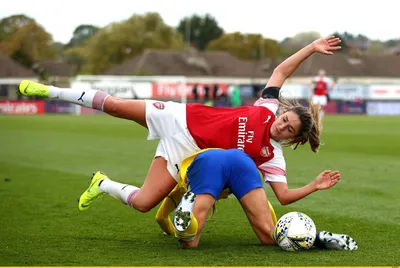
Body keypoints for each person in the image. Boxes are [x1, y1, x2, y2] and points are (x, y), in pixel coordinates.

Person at [17, 36, 342, 215]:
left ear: (294, 138)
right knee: (116, 106)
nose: (282, 126)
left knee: (144, 204)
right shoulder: (267, 107)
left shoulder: (272, 157)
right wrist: (311, 48)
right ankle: (52, 90)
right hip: (180, 116)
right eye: (285, 119)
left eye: (288, 130)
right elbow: (281, 72)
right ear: (283, 112)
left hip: (185, 152)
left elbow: (282, 197)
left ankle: (101, 184)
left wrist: (313, 186)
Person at [157, 148, 357, 250]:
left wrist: (169, 230)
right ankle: (315, 238)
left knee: (189, 242)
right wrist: (273, 228)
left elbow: (160, 217)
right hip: (242, 160)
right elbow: (268, 211)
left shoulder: (183, 180)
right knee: (269, 237)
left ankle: (185, 218)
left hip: (208, 164)